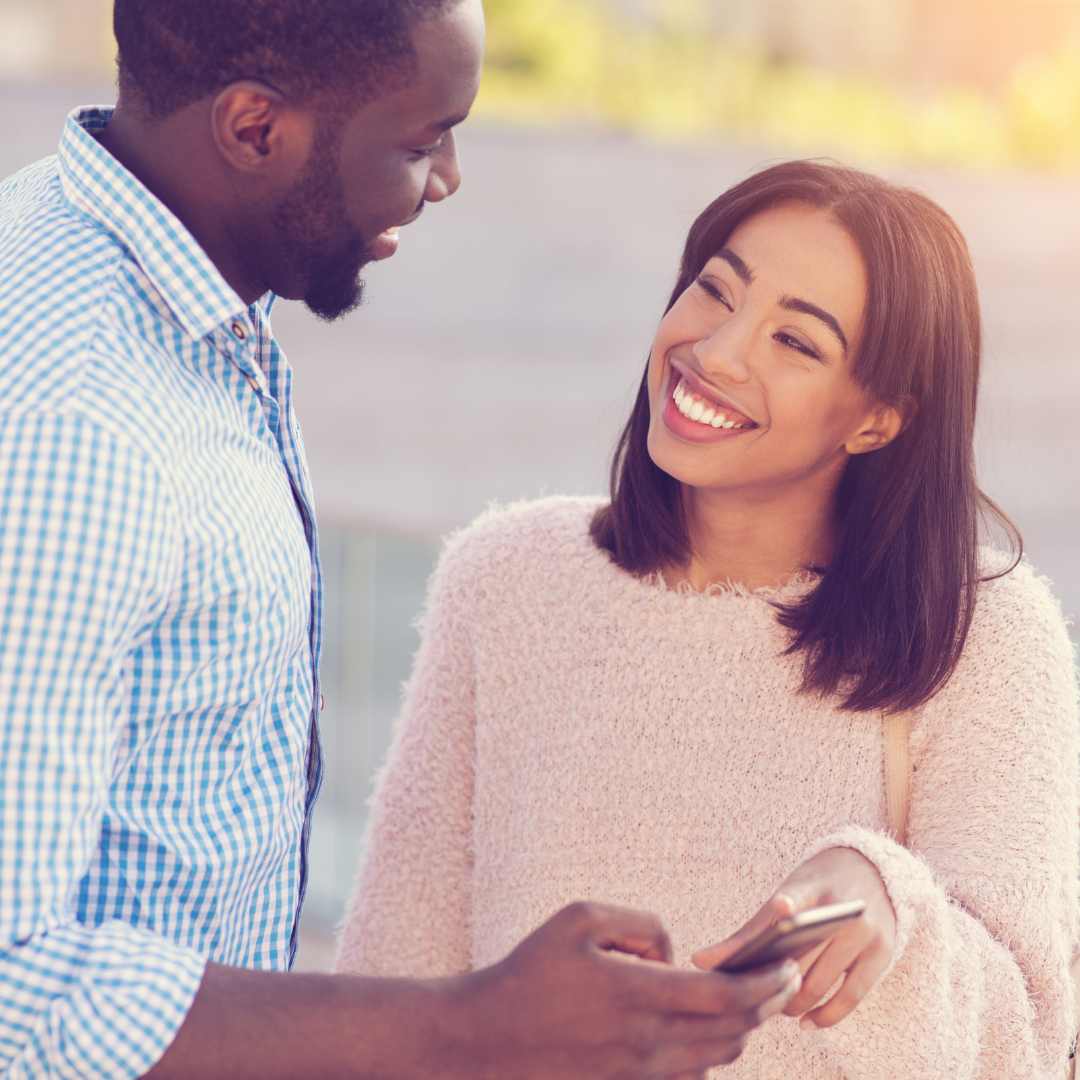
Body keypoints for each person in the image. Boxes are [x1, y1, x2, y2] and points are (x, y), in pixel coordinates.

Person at [0, 1, 804, 1077]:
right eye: (421, 142)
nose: (448, 179)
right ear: (252, 130)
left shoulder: (100, 245)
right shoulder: (80, 427)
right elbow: (14, 987)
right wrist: (470, 1025)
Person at [336, 161, 1080, 1077]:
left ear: (880, 418)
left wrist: (893, 901)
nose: (717, 351)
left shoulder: (984, 638)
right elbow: (394, 985)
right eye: (714, 291)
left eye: (796, 343)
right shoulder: (506, 579)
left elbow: (1025, 1039)